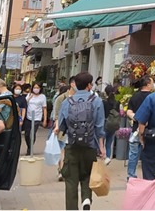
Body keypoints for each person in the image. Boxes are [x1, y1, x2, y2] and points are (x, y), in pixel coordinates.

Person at [58, 72, 106, 211]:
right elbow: (99, 127)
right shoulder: (97, 101)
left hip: (71, 145)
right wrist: (101, 147)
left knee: (71, 181)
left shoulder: (67, 102)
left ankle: (72, 208)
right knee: (87, 176)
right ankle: (86, 199)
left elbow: (61, 126)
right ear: (89, 85)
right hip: (90, 146)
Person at [125, 75, 153, 179]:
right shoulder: (152, 97)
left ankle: (131, 176)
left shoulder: (135, 96)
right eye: (152, 82)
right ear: (148, 84)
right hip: (150, 132)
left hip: (135, 130)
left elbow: (128, 111)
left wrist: (137, 118)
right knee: (148, 155)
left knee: (133, 154)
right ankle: (148, 177)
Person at [53, 77, 76, 181]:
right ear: (72, 84)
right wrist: (57, 126)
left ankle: (68, 171)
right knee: (62, 151)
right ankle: (61, 171)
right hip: (63, 128)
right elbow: (57, 114)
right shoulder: (62, 98)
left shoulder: (82, 98)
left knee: (70, 152)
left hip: (76, 129)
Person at [26, 82, 48, 155]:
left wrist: (44, 120)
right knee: (27, 134)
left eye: (37, 88)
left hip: (37, 117)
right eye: (34, 87)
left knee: (33, 133)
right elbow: (24, 103)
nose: (36, 89)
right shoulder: (29, 95)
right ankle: (29, 146)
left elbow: (44, 108)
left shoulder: (42, 97)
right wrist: (30, 97)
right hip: (28, 116)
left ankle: (30, 149)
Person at [103, 84, 119, 165]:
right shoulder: (116, 103)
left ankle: (102, 157)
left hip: (105, 124)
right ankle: (108, 157)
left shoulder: (104, 102)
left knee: (101, 142)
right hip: (113, 125)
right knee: (109, 143)